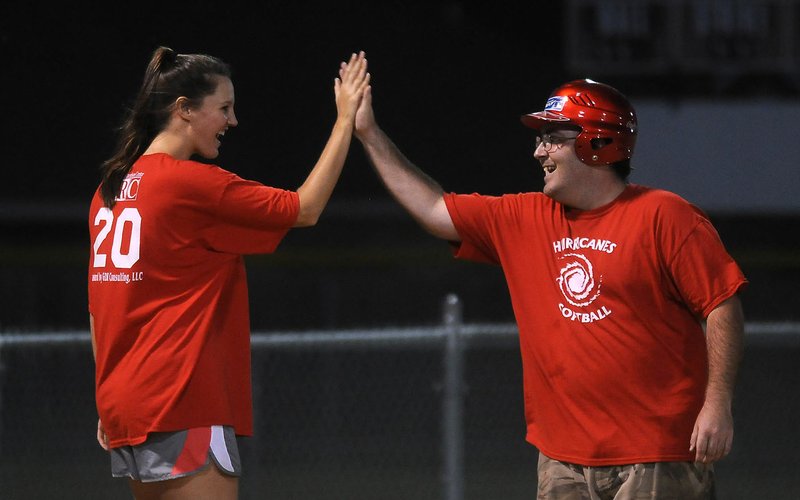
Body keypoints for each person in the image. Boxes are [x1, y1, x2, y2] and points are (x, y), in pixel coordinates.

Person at [354, 78, 747, 498]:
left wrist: (717, 403)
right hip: (562, 459)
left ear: (599, 142)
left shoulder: (664, 215)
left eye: (553, 139)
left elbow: (722, 305)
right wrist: (369, 134)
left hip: (658, 451)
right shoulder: (525, 218)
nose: (538, 151)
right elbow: (433, 208)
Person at [87, 46, 369, 499]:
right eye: (223, 108)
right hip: (182, 399)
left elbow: (99, 309)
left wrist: (107, 393)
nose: (232, 120)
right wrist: (343, 122)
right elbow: (305, 208)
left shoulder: (109, 191)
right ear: (183, 110)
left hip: (127, 402)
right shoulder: (189, 185)